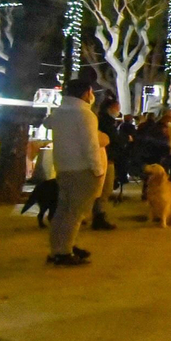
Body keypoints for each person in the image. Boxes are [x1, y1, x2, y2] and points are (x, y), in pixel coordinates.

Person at [44, 79, 105, 266]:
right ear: (86, 93)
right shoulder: (85, 115)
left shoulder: (59, 112)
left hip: (63, 167)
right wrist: (98, 169)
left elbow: (47, 123)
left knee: (62, 210)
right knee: (75, 213)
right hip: (82, 169)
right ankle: (64, 252)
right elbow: (90, 145)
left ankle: (59, 248)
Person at [92, 95, 121, 231]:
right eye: (116, 108)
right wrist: (124, 139)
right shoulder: (105, 122)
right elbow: (111, 139)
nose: (118, 111)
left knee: (103, 189)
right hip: (105, 158)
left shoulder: (104, 120)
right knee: (104, 189)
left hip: (108, 157)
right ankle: (99, 216)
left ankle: (98, 215)